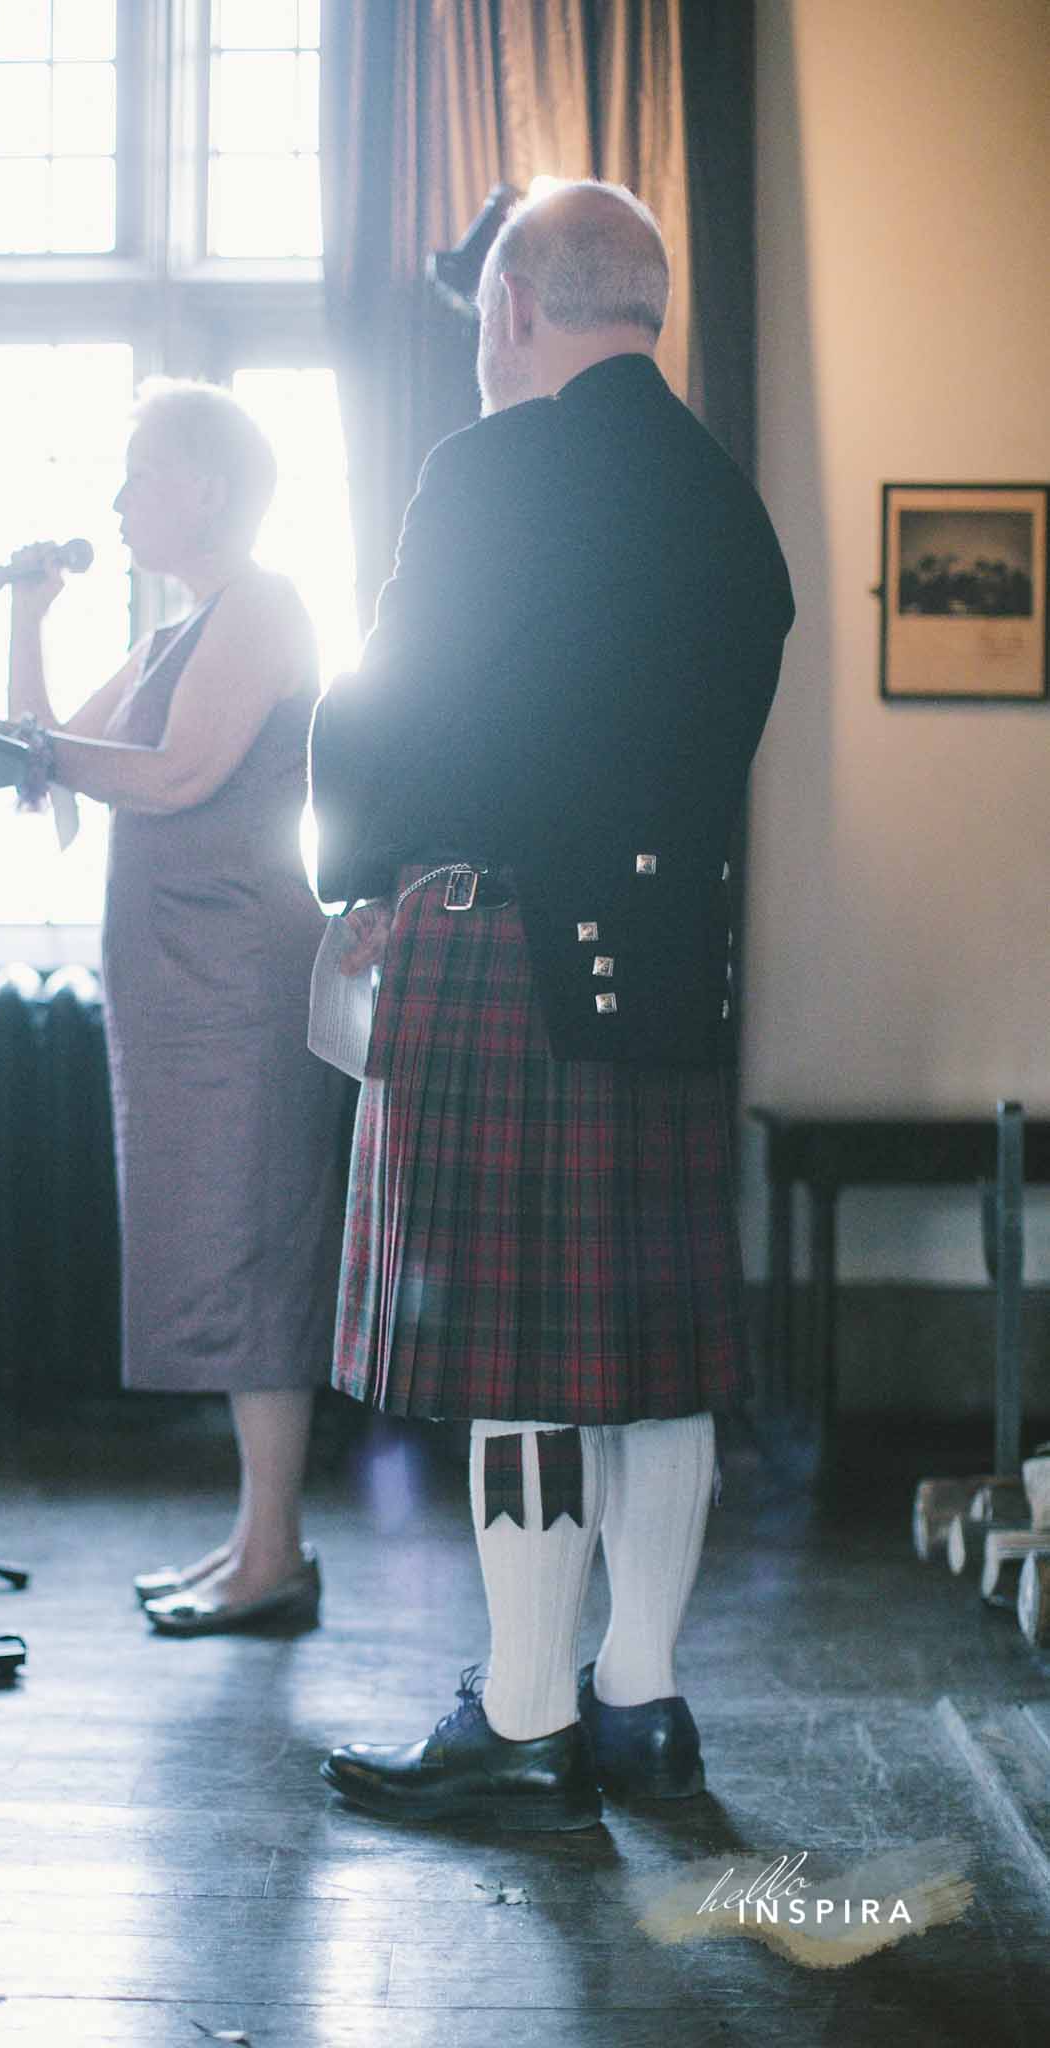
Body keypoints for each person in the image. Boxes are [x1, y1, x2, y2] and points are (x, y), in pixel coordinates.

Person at [309, 181, 795, 1828]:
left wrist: (356, 864)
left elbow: (391, 694)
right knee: (656, 1354)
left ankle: (521, 1711)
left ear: (515, 301)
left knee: (523, 1351)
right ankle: (642, 1701)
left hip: (496, 940)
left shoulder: (490, 471)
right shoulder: (727, 502)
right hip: (670, 965)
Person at [2, 378, 348, 1637]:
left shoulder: (266, 605)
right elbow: (47, 778)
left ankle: (278, 1554)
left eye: (137, 470)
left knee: (255, 1256)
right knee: (212, 1254)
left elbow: (184, 771)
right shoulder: (168, 637)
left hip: (244, 979)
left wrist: (39, 749)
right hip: (172, 987)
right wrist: (27, 622)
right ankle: (257, 1537)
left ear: (206, 485)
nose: (117, 497)